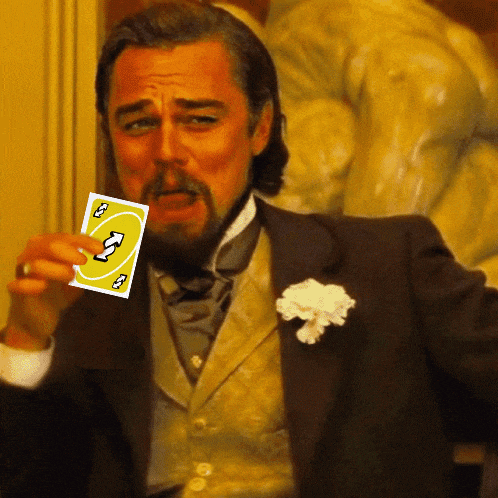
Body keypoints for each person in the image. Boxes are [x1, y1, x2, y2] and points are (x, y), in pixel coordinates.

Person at [1, 2, 498, 497]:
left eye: (199, 120)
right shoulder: (79, 292)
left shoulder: (387, 261)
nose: (167, 152)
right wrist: (25, 341)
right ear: (109, 137)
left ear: (259, 128)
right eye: (137, 125)